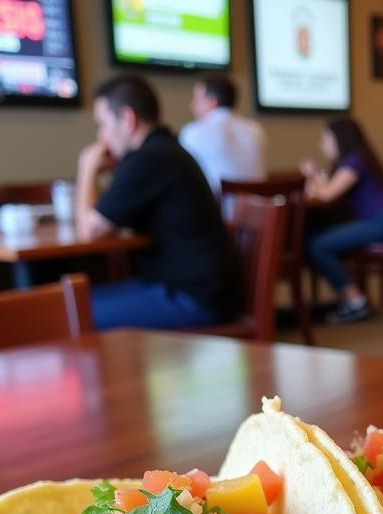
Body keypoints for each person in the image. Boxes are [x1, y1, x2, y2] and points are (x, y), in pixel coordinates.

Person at [75, 74, 236, 330]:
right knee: (76, 302)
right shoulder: (163, 150)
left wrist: (86, 168)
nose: (101, 136)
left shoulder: (149, 159)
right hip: (194, 289)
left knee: (72, 312)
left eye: (103, 124)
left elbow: (89, 231)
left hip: (192, 299)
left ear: (127, 119)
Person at [300, 118, 383, 325]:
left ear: (339, 138)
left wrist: (310, 175)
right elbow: (328, 190)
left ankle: (356, 301)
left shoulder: (354, 161)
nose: (322, 144)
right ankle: (349, 297)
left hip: (379, 223)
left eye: (325, 138)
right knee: (319, 238)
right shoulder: (357, 159)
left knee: (318, 245)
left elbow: (327, 194)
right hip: (379, 221)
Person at [178, 73, 266, 200]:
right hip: (261, 216)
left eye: (196, 99)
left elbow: (185, 183)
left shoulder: (192, 133)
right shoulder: (257, 131)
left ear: (212, 102)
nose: (191, 106)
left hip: (216, 217)